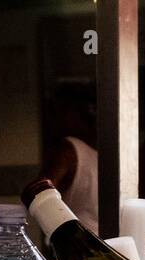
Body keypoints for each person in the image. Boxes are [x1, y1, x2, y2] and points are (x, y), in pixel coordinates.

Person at [39, 82, 100, 236]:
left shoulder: (68, 150)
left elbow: (39, 194)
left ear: (70, 112)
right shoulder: (98, 151)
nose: (51, 121)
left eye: (55, 112)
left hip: (78, 247)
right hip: (105, 245)